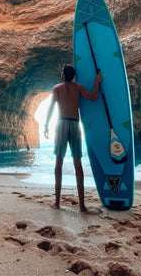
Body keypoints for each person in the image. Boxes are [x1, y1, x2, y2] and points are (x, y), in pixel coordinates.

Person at [44, 65, 102, 212]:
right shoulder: (78, 87)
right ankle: (82, 205)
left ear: (63, 75)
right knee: (78, 163)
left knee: (59, 163)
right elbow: (94, 97)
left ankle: (57, 203)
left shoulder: (57, 88)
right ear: (73, 76)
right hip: (75, 125)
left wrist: (45, 125)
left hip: (62, 124)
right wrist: (97, 82)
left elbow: (51, 107)